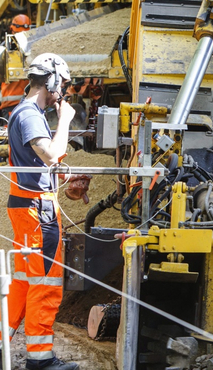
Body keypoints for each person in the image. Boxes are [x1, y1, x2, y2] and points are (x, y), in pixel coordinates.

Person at [1, 53, 79, 370]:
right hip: (38, 211)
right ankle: (40, 359)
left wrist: (69, 178)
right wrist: (66, 120)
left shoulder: (25, 112)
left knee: (23, 280)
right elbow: (50, 155)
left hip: (27, 205)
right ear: (53, 81)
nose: (64, 92)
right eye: (64, 85)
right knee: (45, 284)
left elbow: (41, 165)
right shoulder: (32, 114)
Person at [0, 14, 32, 119]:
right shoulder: (3, 52)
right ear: (12, 31)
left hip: (26, 105)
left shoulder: (32, 50)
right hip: (10, 107)